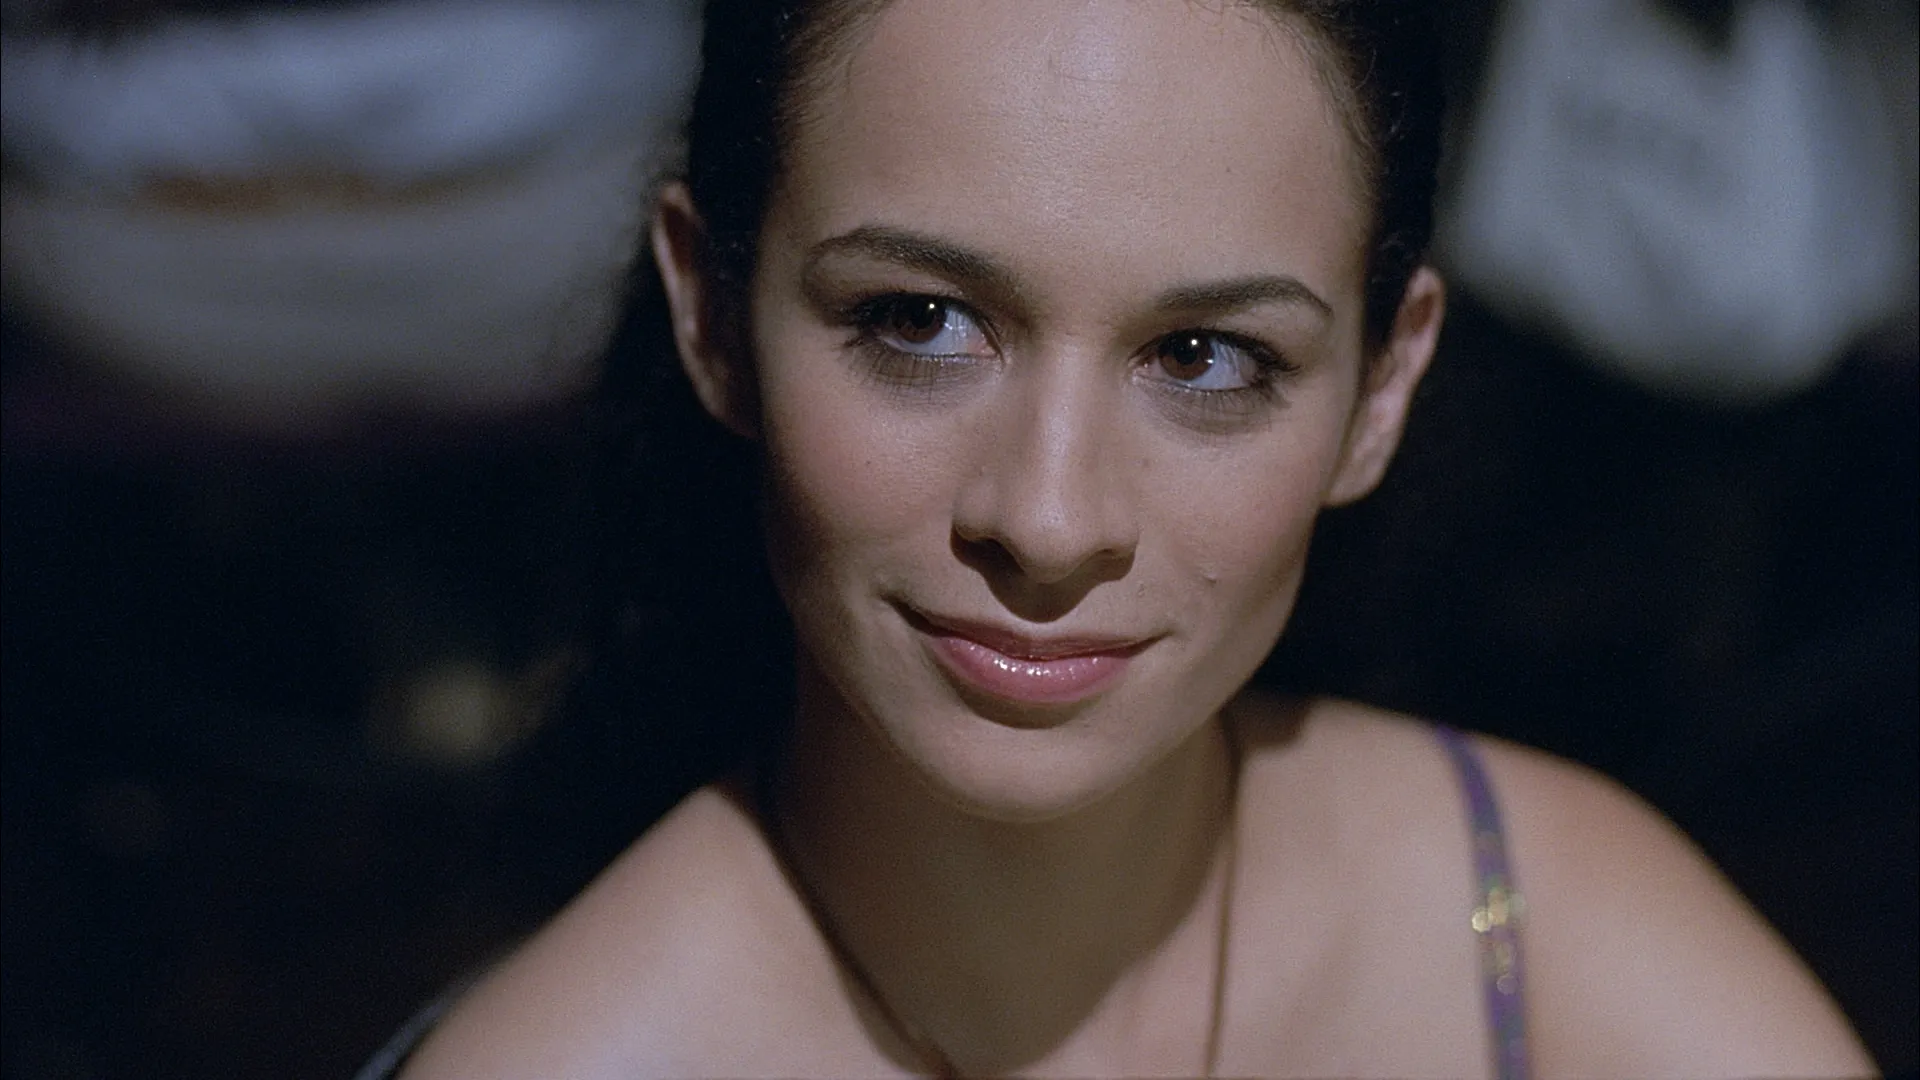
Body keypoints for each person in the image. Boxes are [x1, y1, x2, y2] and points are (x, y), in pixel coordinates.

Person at [374, 0, 1878, 1076]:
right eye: (920, 322)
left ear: (1381, 387)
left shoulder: (1553, 939)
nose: (1048, 517)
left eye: (1207, 357)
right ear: (713, 315)